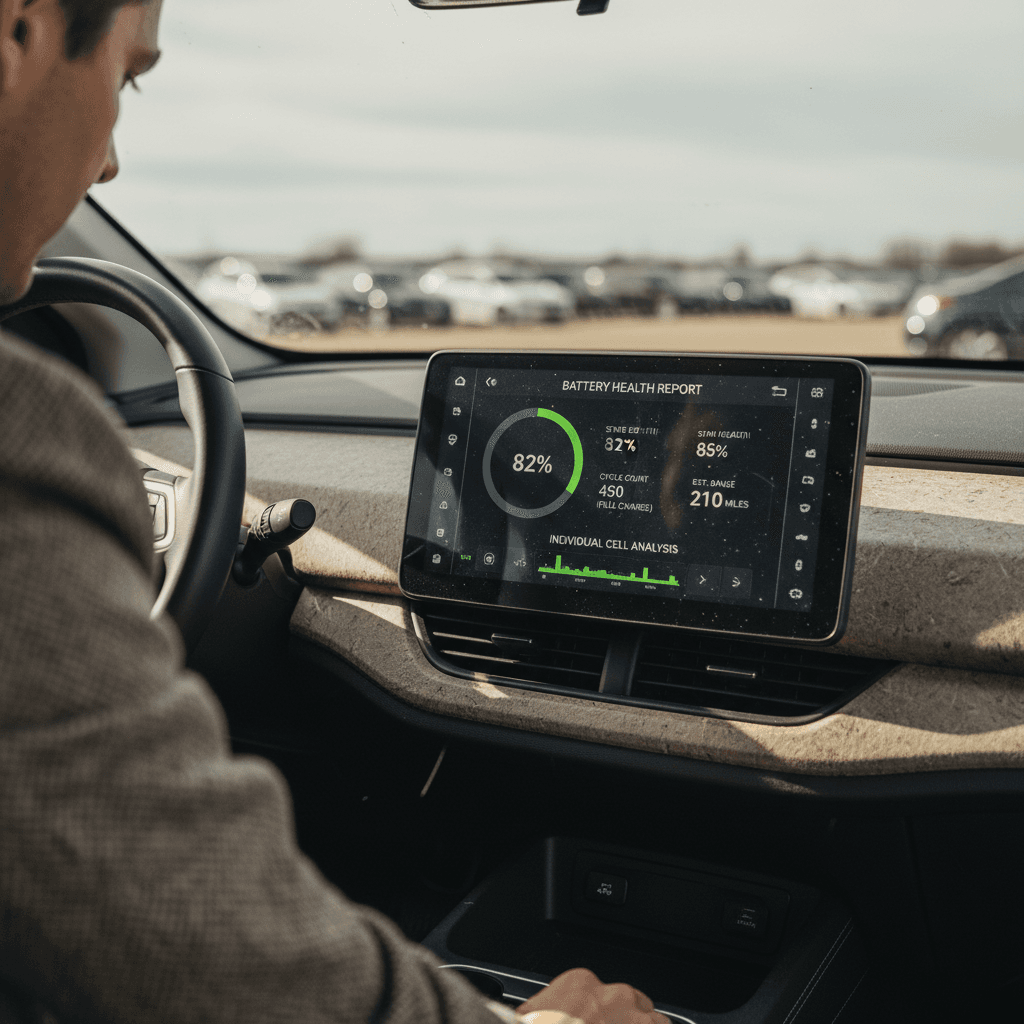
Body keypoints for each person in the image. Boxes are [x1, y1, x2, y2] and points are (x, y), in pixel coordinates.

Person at [0, 3, 673, 1022]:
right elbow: (204, 956)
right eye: (128, 81)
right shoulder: (24, 440)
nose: (109, 167)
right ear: (18, 31)